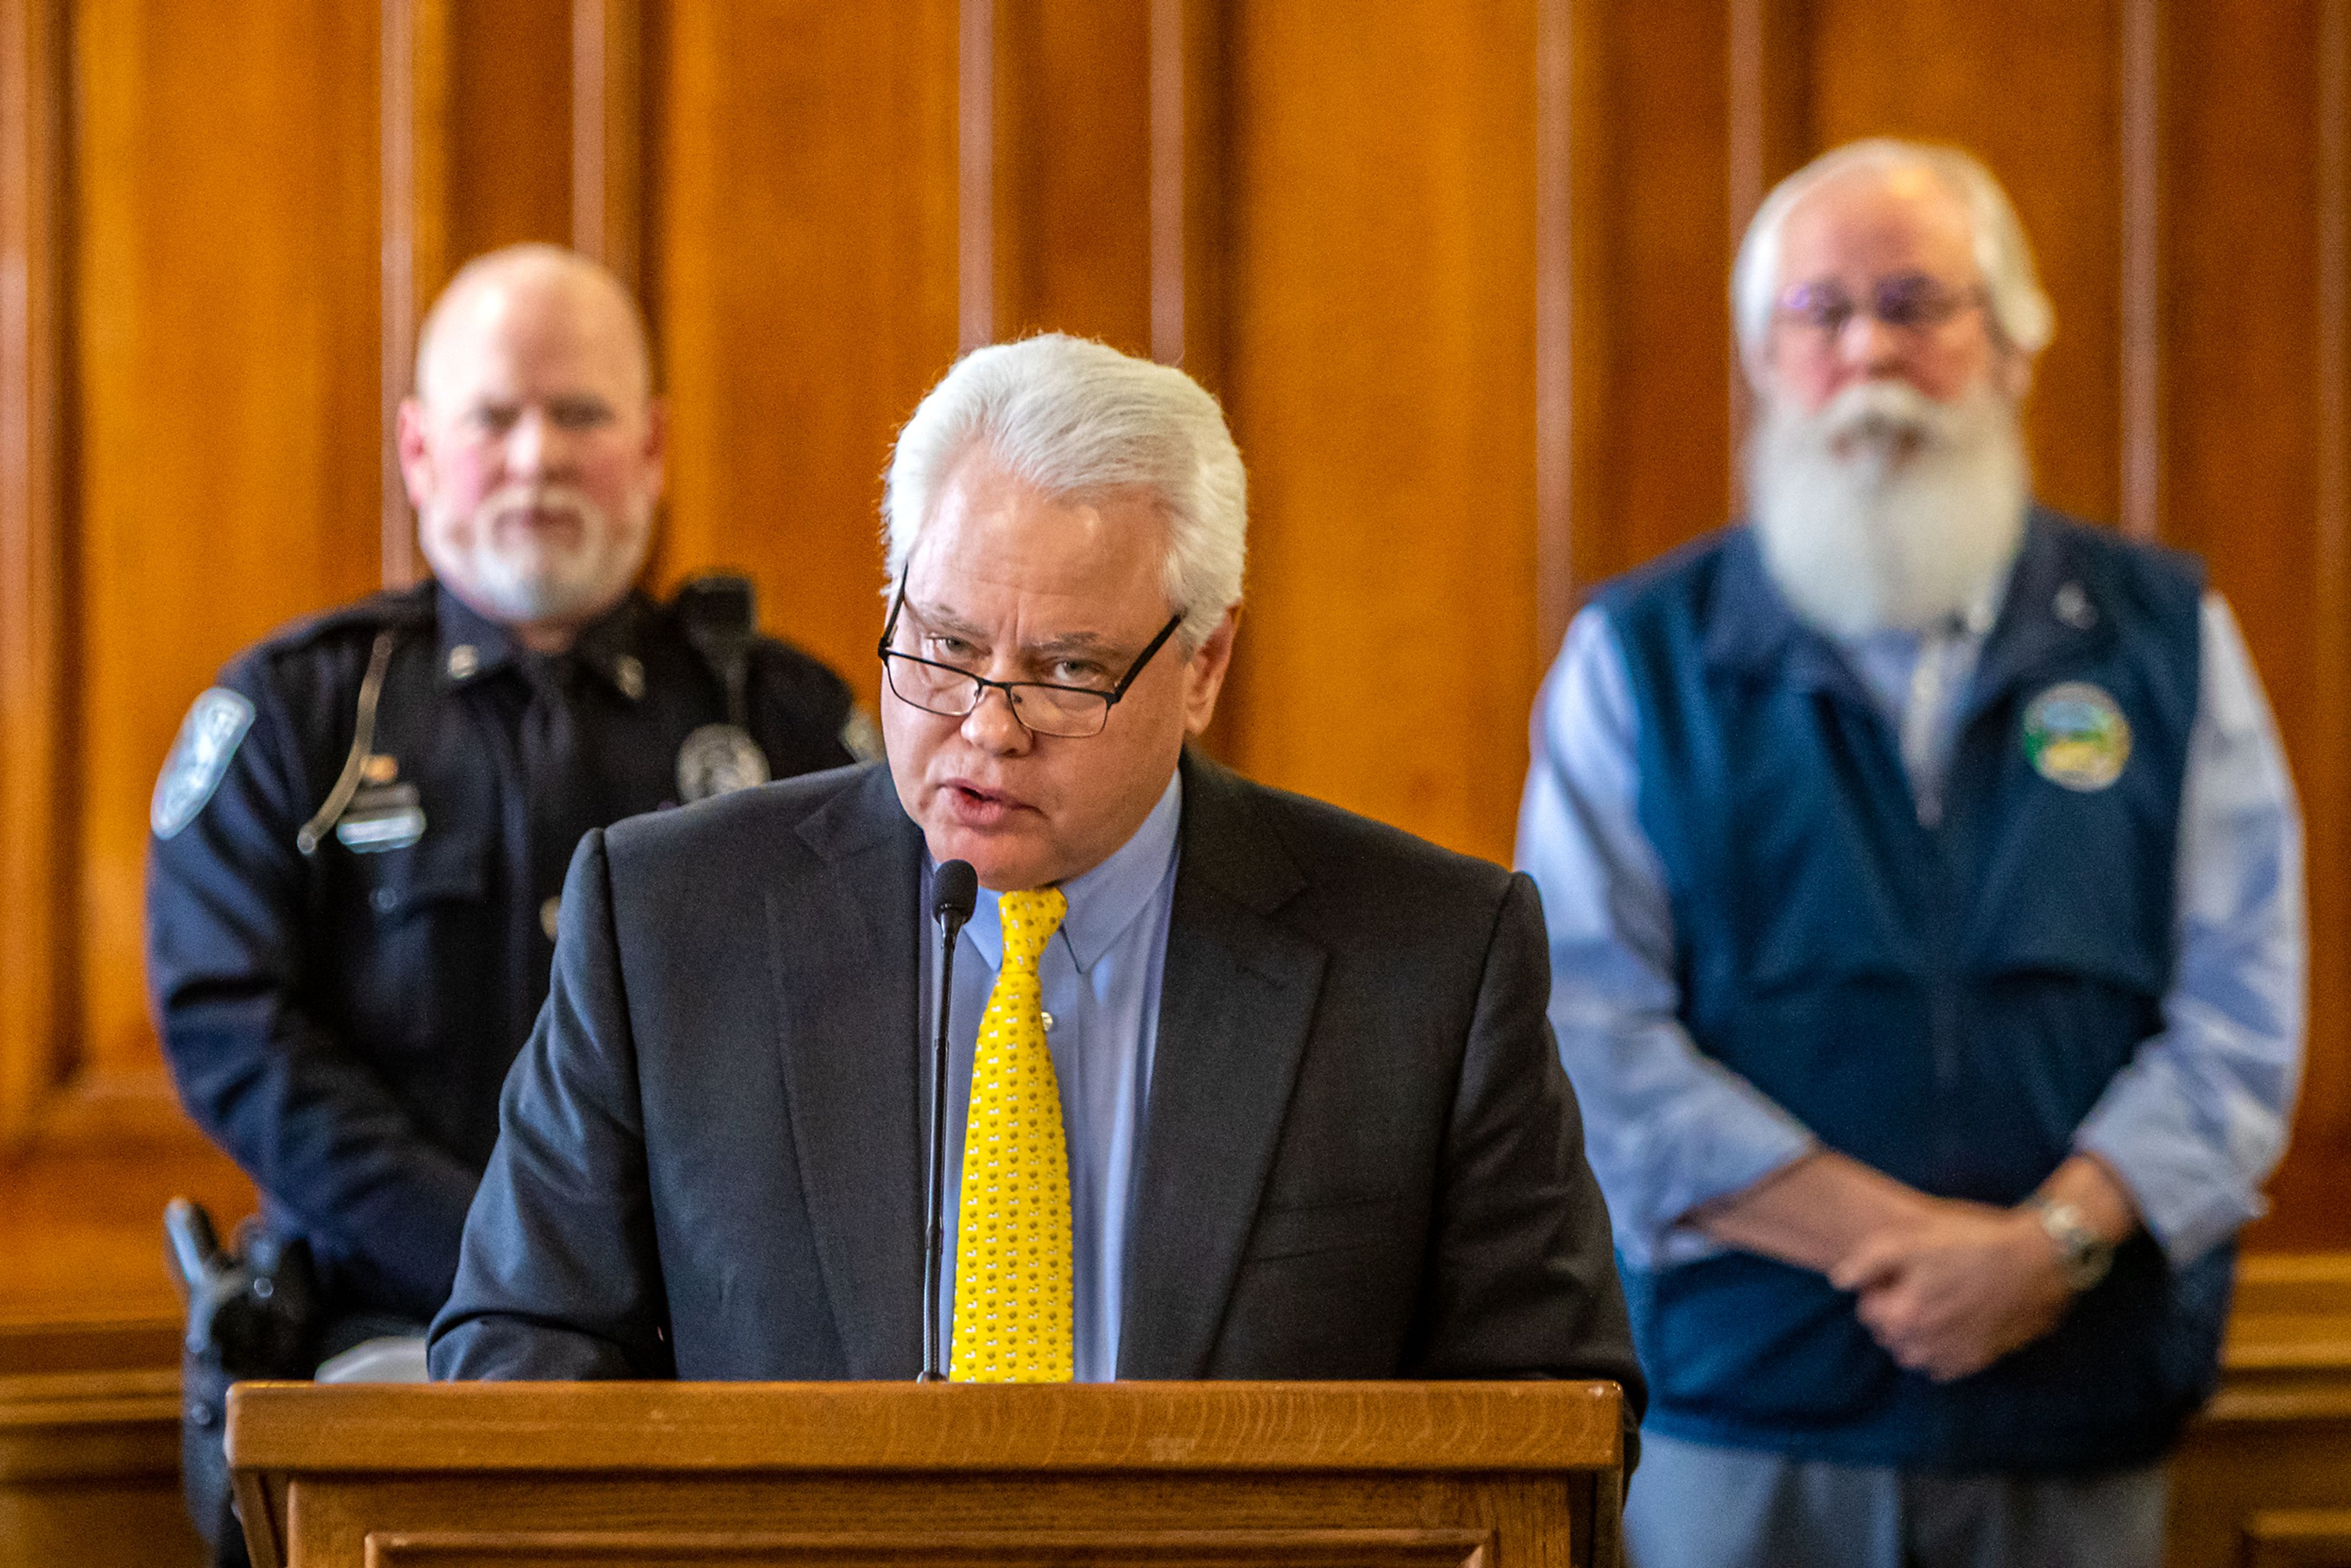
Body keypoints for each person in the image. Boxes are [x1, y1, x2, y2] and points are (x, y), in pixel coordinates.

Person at [427, 334, 1643, 1422]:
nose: (987, 729)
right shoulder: (669, 922)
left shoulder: (1428, 957)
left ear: (1205, 666)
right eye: (947, 650)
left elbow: (1549, 1408)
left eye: (1068, 672)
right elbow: (521, 1347)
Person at [1516, 138, 2304, 1568]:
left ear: (2011, 347)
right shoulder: (1640, 658)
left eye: (1917, 303)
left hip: (2074, 1410)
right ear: (1764, 359)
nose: (1869, 349)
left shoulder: (2167, 639)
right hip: (1744, 1424)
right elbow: (1588, 1032)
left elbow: (2242, 1017)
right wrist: (1914, 1252)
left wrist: (2043, 1252)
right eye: (1821, 313)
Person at [146, 244, 867, 1430]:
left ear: (651, 449)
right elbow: (233, 1031)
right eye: (496, 417)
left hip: (724, 1362)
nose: (537, 458)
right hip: (390, 1332)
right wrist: (503, 1265)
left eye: (580, 414)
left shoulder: (777, 719)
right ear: (420, 452)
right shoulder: (302, 718)